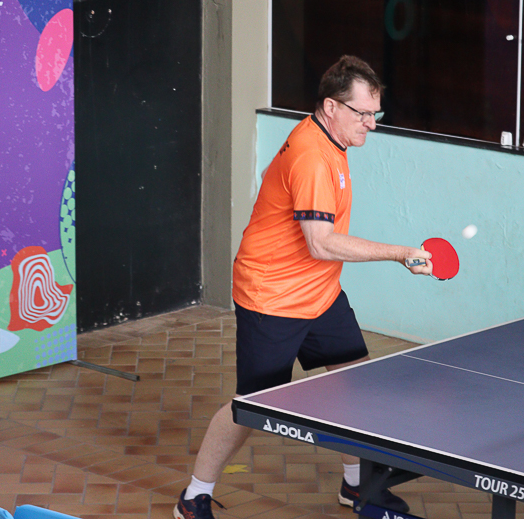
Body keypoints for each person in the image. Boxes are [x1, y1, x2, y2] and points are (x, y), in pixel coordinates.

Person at [174, 55, 432, 519]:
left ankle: (356, 486)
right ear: (332, 107)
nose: (372, 124)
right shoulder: (313, 156)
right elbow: (321, 243)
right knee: (251, 407)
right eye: (363, 113)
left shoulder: (326, 138)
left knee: (353, 384)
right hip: (272, 297)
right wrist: (399, 253)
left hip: (320, 292)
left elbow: (291, 210)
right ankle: (193, 497)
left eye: (375, 113)